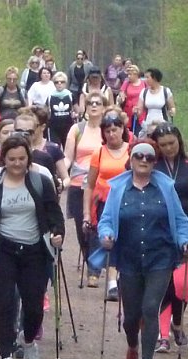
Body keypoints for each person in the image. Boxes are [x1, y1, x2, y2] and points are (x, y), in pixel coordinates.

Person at [97, 141, 188, 359]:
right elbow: (107, 219)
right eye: (139, 156)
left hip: (159, 256)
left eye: (149, 158)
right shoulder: (118, 189)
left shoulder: (166, 188)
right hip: (129, 258)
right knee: (131, 315)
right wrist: (106, 235)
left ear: (154, 162)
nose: (143, 161)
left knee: (150, 308)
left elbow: (181, 220)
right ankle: (132, 345)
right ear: (130, 159)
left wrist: (185, 240)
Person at [0, 136, 65, 359]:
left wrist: (57, 234)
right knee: (4, 305)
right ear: (4, 159)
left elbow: (55, 215)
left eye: (22, 158)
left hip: (34, 251)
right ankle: (6, 357)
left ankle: (29, 338)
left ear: (28, 158)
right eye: (12, 159)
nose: (17, 163)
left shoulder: (40, 181)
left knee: (34, 306)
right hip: (3, 250)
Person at [150, 123, 188, 352]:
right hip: (158, 231)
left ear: (179, 141)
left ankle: (177, 320)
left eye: (171, 143)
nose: (168, 148)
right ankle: (163, 335)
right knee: (164, 284)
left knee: (182, 285)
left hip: (186, 231)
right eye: (162, 145)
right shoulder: (152, 165)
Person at [83, 112, 130, 302]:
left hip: (127, 202)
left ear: (122, 129)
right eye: (108, 131)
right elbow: (90, 184)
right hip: (104, 203)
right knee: (110, 240)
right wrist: (87, 212)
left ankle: (123, 278)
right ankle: (112, 283)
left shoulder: (132, 150)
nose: (112, 134)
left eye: (115, 129)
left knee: (126, 242)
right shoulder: (99, 153)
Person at [63, 90, 105, 285]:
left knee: (97, 224)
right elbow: (68, 157)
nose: (94, 106)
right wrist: (60, 173)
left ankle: (95, 269)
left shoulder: (109, 129)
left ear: (104, 107)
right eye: (90, 103)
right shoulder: (76, 129)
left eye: (98, 103)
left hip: (101, 185)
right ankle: (91, 260)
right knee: (83, 226)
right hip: (78, 183)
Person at [46, 71, 74, 148]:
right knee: (54, 149)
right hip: (54, 127)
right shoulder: (50, 96)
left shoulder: (70, 95)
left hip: (68, 126)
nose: (59, 84)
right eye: (56, 82)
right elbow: (46, 111)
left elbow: (76, 109)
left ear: (66, 83)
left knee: (68, 149)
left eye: (62, 82)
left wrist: (76, 114)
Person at [116, 63, 147, 133]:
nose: (128, 76)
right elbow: (122, 92)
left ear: (136, 74)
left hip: (140, 110)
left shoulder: (144, 83)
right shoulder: (126, 83)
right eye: (128, 74)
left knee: (140, 129)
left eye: (130, 74)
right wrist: (122, 96)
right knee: (129, 130)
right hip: (129, 111)